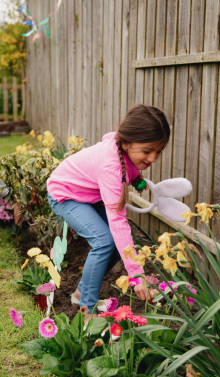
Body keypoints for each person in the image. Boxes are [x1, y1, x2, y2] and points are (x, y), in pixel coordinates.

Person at [47, 104, 170, 313]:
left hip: (88, 194)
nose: (153, 159)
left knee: (112, 243)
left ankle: (81, 294)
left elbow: (128, 167)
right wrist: (137, 275)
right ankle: (88, 312)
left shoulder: (123, 152)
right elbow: (118, 222)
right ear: (126, 142)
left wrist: (137, 178)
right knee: (104, 241)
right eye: (148, 151)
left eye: (158, 152)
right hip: (65, 194)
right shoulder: (111, 167)